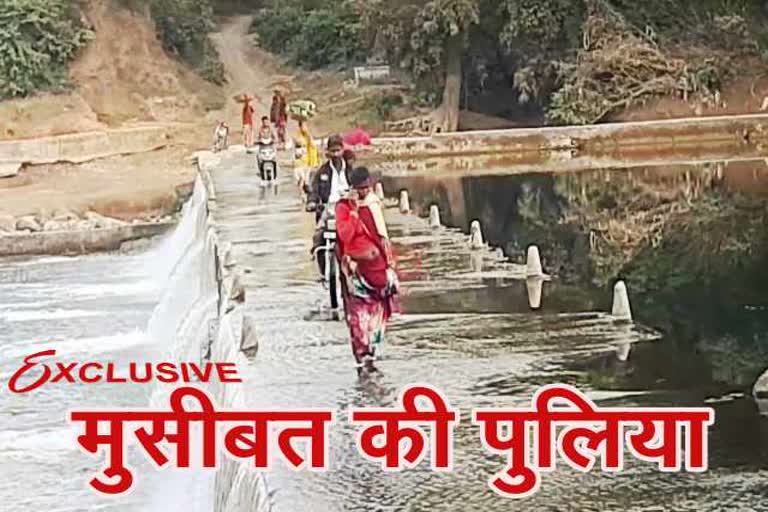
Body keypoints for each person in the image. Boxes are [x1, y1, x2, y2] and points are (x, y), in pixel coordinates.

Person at [335, 166, 400, 371]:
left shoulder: (373, 204)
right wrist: (354, 213)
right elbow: (345, 236)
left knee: (377, 315)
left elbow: (383, 237)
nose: (363, 192)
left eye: (366, 188)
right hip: (356, 271)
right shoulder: (344, 208)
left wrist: (390, 265)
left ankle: (370, 353)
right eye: (359, 189)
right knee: (358, 316)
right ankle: (361, 355)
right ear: (352, 188)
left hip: (377, 269)